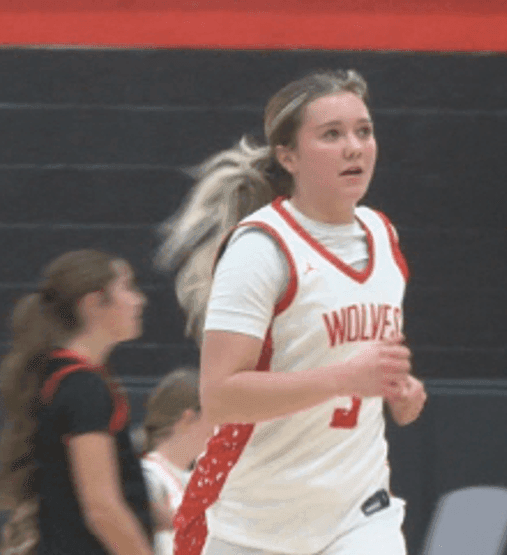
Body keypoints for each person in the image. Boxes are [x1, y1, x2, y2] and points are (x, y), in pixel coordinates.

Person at [155, 69, 428, 555]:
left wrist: (397, 387)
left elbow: (360, 351)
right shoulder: (261, 248)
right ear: (288, 156)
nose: (354, 147)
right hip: (251, 523)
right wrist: (346, 379)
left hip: (356, 510)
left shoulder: (383, 235)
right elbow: (219, 396)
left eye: (363, 131)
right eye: (331, 135)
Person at [0, 249, 167, 555]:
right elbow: (101, 508)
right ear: (93, 303)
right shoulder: (83, 387)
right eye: (127, 287)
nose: (140, 300)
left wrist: (163, 517)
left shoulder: (64, 375)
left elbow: (82, 492)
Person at [136, 368, 214, 555]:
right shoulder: (149, 474)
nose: (219, 429)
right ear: (188, 417)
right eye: (214, 418)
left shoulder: (198, 479)